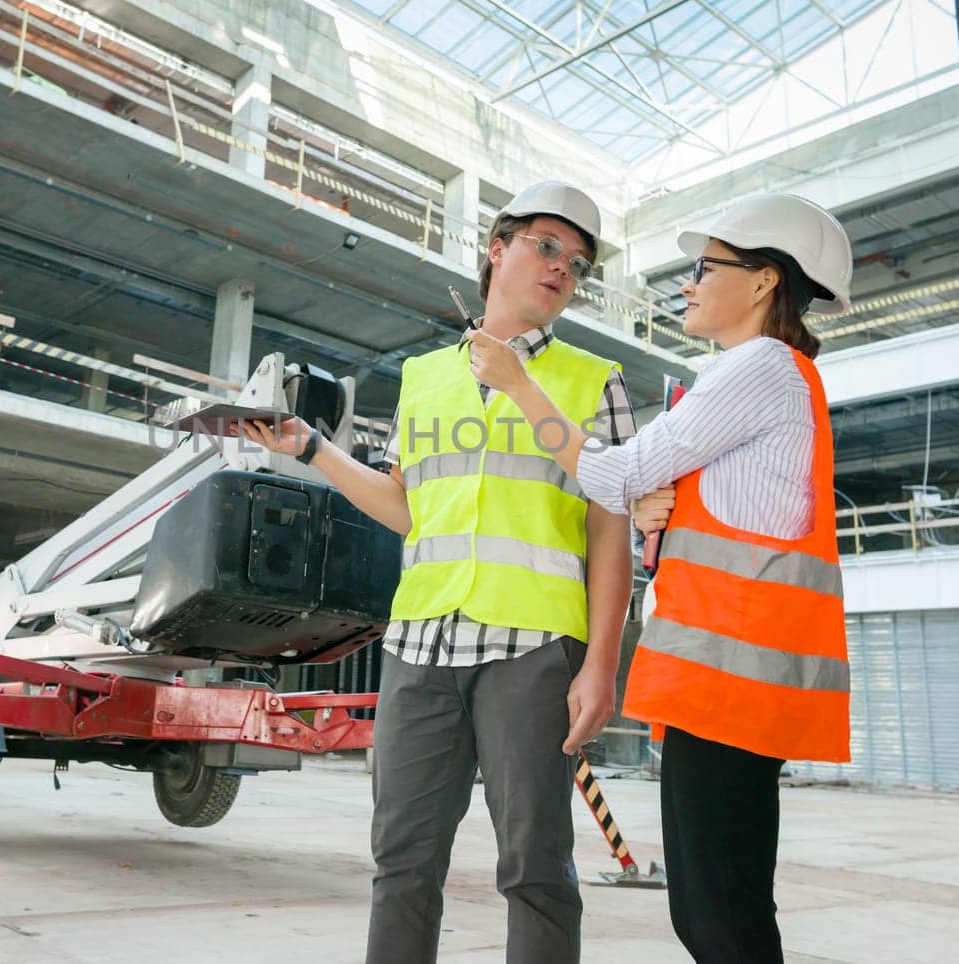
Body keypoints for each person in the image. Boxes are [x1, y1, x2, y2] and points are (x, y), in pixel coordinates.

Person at [242, 179, 671, 964]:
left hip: (535, 651)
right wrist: (312, 448)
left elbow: (611, 534)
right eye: (547, 248)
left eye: (576, 265)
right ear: (497, 249)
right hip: (420, 648)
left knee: (536, 869)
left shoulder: (591, 380)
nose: (560, 271)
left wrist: (603, 663)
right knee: (401, 864)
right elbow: (412, 509)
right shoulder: (422, 376)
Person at [465, 191, 854, 964]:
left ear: (764, 282)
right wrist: (659, 513)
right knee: (729, 910)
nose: (689, 283)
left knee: (719, 921)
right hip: (732, 688)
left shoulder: (759, 368)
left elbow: (614, 473)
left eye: (705, 267)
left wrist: (517, 384)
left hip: (729, 688)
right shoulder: (775, 379)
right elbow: (708, 507)